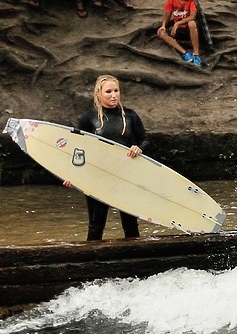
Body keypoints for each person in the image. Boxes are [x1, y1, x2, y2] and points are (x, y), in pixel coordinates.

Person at [62, 75, 148, 241]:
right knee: (96, 224)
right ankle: (91, 261)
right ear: (98, 94)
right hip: (97, 176)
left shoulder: (130, 116)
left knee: (130, 224)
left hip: (125, 175)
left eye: (116, 91)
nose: (113, 95)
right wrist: (72, 175)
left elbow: (145, 140)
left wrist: (138, 148)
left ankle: (135, 260)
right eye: (108, 91)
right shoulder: (89, 119)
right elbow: (78, 149)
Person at [157, 0, 203, 67]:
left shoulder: (191, 1)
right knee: (161, 33)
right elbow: (167, 16)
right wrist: (163, 26)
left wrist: (177, 23)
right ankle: (185, 53)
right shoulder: (171, 1)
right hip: (178, 30)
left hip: (189, 28)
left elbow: (192, 16)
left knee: (192, 23)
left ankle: (196, 55)